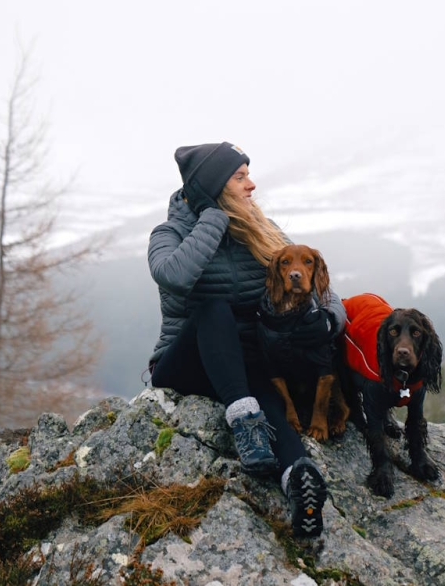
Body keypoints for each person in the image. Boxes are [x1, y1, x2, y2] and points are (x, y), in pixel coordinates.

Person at [147, 142, 347, 537]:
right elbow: (173, 274)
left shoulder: (262, 230)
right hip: (185, 364)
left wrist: (328, 321)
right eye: (240, 177)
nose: (252, 185)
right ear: (213, 186)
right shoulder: (169, 233)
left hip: (245, 364)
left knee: (271, 397)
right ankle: (242, 416)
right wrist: (213, 217)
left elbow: (324, 290)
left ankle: (298, 480)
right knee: (213, 308)